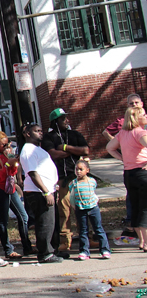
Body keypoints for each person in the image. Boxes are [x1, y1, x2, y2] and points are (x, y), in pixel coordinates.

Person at [42, 108, 90, 252]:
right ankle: (65, 240)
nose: (66, 121)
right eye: (63, 119)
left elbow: (86, 150)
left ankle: (90, 238)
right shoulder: (49, 137)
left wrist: (66, 147)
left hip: (79, 179)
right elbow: (53, 154)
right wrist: (74, 151)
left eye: (66, 118)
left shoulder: (75, 134)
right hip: (62, 179)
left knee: (86, 208)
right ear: (55, 122)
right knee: (64, 210)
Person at [19, 123, 62, 263]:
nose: (40, 133)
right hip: (38, 192)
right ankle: (45, 254)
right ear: (28, 134)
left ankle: (53, 250)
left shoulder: (37, 149)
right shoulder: (28, 150)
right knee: (45, 223)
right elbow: (32, 173)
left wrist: (52, 186)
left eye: (41, 131)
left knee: (52, 222)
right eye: (37, 131)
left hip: (47, 190)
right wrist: (45, 192)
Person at [0, 131, 32, 259]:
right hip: (0, 189)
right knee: (3, 219)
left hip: (10, 188)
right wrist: (6, 165)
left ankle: (27, 246)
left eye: (7, 145)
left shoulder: (4, 154)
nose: (5, 147)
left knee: (23, 216)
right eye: (3, 145)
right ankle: (7, 248)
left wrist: (13, 164)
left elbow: (11, 172)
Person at [106, 106, 147, 251]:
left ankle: (141, 241)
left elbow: (110, 147)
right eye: (143, 114)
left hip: (129, 174)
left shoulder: (122, 133)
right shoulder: (140, 132)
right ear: (136, 118)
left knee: (135, 206)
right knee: (145, 207)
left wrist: (122, 158)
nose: (146, 116)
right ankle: (146, 242)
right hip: (142, 172)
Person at [101, 93, 143, 233]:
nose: (134, 105)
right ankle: (134, 226)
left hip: (137, 167)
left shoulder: (143, 121)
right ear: (127, 106)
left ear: (141, 103)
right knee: (136, 201)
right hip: (136, 168)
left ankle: (140, 235)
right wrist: (123, 150)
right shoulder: (125, 124)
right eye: (131, 103)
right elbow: (106, 133)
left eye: (136, 102)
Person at [69, 160, 111, 260]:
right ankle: (84, 251)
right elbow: (71, 196)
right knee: (83, 231)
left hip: (93, 208)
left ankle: (105, 250)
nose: (78, 172)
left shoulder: (92, 181)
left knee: (98, 229)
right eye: (76, 169)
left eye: (81, 169)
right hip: (80, 209)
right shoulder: (73, 183)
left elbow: (93, 192)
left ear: (87, 170)